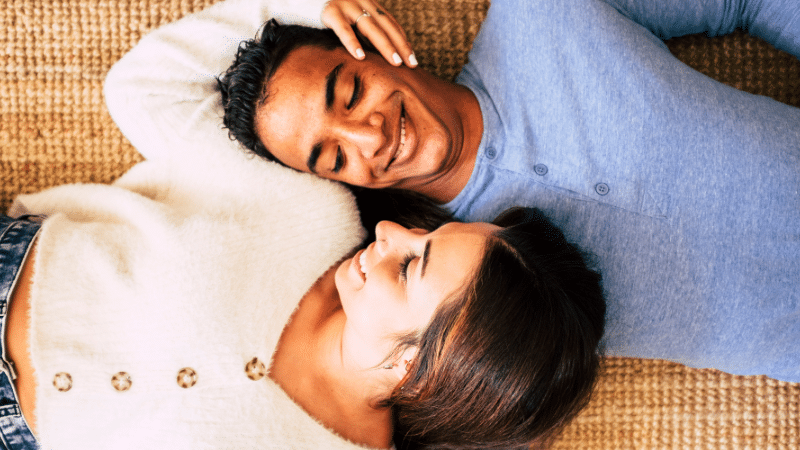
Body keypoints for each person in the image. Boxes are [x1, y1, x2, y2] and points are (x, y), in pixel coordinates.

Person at [111, 0, 800, 383]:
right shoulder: (422, 280)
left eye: (349, 91)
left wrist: (298, 3)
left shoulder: (543, 18)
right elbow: (145, 95)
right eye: (329, 155)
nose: (368, 137)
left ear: (372, 43)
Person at [4, 47, 606, 449]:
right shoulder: (310, 207)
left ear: (415, 371)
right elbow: (150, 90)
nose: (391, 233)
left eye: (410, 265)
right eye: (426, 233)